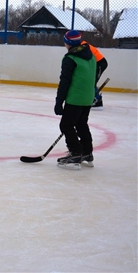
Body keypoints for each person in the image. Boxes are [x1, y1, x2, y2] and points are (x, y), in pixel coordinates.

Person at [54, 30, 97, 170]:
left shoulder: (70, 58)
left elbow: (65, 81)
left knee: (66, 125)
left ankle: (75, 154)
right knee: (81, 124)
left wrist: (59, 101)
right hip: (88, 97)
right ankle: (87, 153)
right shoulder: (90, 55)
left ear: (68, 42)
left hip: (75, 98)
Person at [80, 37, 108, 109]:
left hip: (100, 63)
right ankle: (95, 98)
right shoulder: (82, 45)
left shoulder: (83, 47)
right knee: (91, 81)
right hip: (96, 63)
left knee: (92, 82)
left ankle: (97, 100)